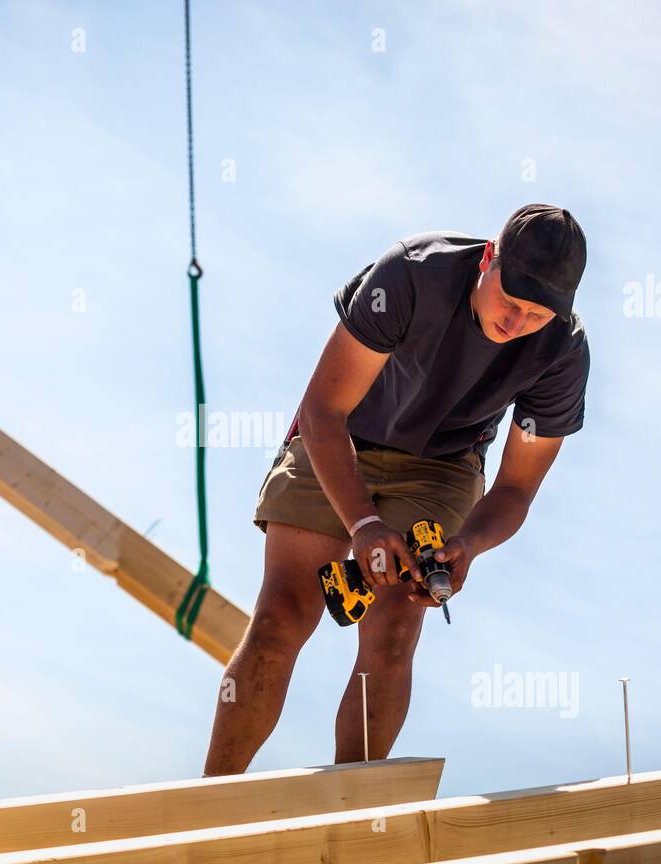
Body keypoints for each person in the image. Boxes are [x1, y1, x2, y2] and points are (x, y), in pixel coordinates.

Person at [203, 203, 591, 775]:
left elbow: (514, 491)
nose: (516, 324)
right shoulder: (412, 274)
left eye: (536, 316)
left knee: (394, 628)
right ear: (489, 259)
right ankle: (212, 812)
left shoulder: (561, 353)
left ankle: (350, 825)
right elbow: (324, 409)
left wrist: (469, 545)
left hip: (442, 464)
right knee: (281, 615)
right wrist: (363, 524)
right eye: (510, 302)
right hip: (342, 433)